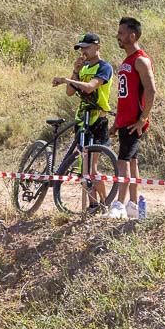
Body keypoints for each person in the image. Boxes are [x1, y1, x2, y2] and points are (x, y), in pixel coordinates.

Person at [51, 33, 114, 210]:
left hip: (98, 118)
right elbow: (70, 93)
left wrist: (65, 80)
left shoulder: (104, 67)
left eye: (87, 47)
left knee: (93, 169)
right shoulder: (83, 68)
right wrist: (75, 71)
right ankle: (92, 204)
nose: (84, 51)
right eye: (82, 48)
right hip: (82, 118)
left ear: (97, 47)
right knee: (84, 168)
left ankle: (105, 202)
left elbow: (90, 86)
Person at [110, 16, 155, 219]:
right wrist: (116, 122)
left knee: (123, 162)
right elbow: (124, 96)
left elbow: (151, 90)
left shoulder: (140, 59)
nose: (118, 36)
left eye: (121, 33)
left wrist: (143, 119)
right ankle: (133, 205)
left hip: (134, 122)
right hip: (124, 121)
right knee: (132, 163)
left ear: (133, 35)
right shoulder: (126, 60)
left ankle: (118, 204)